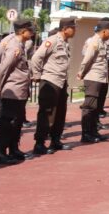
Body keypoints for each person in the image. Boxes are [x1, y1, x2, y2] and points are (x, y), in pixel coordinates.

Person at [31, 17, 77, 155]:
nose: (75, 30)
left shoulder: (65, 43)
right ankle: (39, 143)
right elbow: (36, 58)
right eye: (73, 28)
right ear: (65, 29)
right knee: (47, 113)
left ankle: (55, 140)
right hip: (50, 81)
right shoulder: (52, 41)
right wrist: (37, 75)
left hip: (61, 82)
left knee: (60, 113)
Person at [0, 18, 35, 165]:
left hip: (20, 90)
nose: (32, 33)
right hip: (12, 90)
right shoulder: (14, 46)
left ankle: (13, 149)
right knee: (7, 122)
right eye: (30, 30)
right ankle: (1, 152)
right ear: (23, 31)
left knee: (17, 122)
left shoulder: (21, 44)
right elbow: (3, 68)